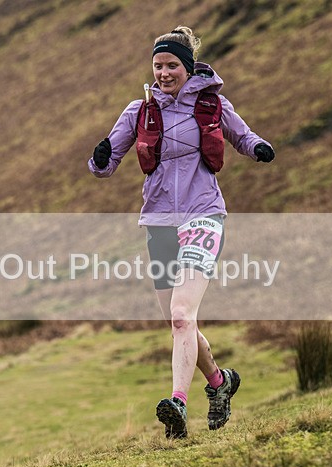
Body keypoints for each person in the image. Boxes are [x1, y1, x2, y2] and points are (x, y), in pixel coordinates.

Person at [88, 26, 274, 438]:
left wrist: (259, 147)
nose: (164, 73)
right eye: (158, 66)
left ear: (188, 68)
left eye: (172, 65)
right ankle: (219, 383)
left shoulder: (213, 105)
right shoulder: (139, 111)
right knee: (177, 321)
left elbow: (243, 136)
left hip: (204, 215)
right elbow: (105, 164)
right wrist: (99, 157)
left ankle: (178, 403)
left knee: (180, 315)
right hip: (158, 223)